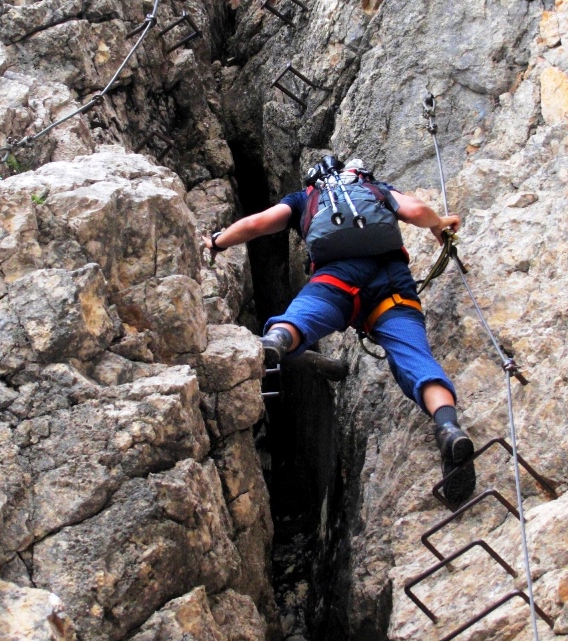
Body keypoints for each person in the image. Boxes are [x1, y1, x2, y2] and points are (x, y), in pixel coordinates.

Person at [203, 158, 476, 507]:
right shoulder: (374, 188)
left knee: (302, 316)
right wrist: (438, 225)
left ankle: (279, 340)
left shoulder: (303, 199)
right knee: (415, 356)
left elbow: (258, 224)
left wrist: (217, 242)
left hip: (336, 279)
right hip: (391, 281)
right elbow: (417, 209)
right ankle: (448, 427)